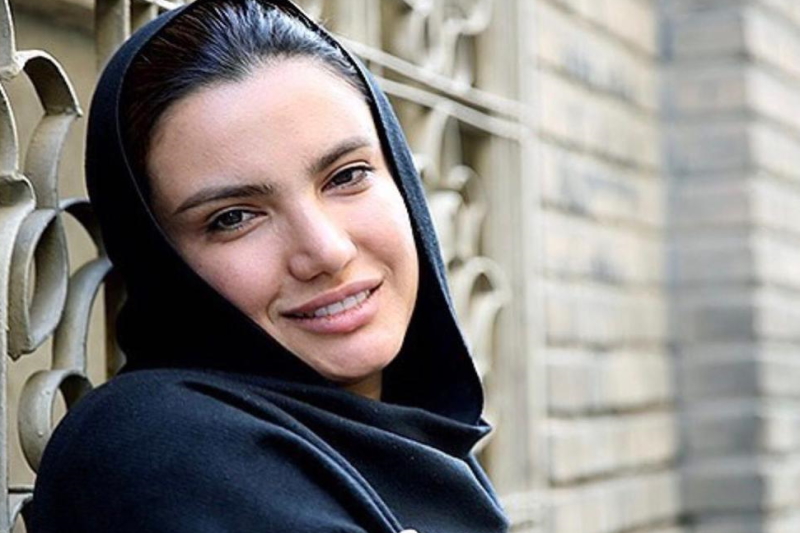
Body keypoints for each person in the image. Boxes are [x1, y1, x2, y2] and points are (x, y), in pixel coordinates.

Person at [29, 1, 509, 532]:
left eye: (347, 176)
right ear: (160, 260)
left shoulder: (422, 452)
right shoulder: (161, 451)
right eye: (233, 218)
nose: (326, 252)